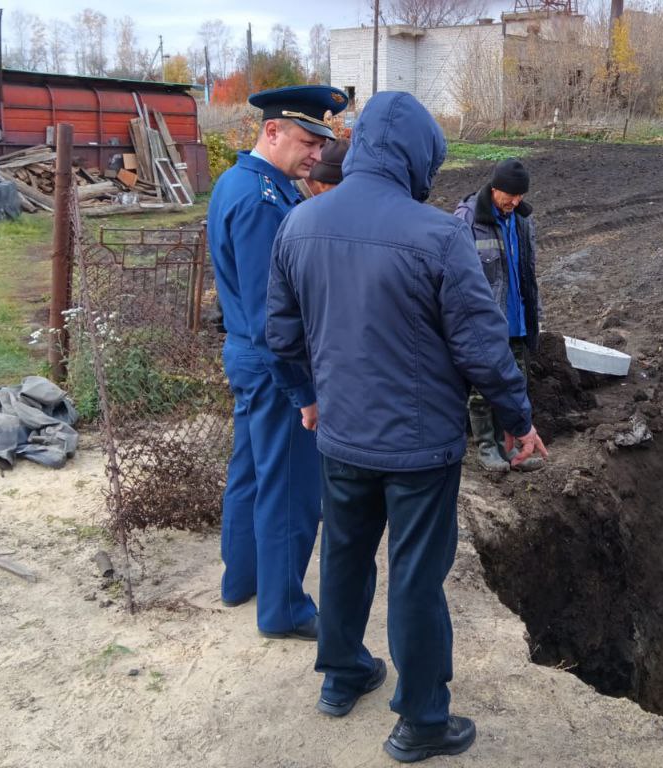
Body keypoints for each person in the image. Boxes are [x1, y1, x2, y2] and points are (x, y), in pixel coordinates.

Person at [266, 91, 549, 762]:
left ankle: (341, 676)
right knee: (416, 577)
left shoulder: (301, 223)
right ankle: (421, 721)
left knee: (342, 554)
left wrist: (306, 393)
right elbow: (483, 348)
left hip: (341, 435)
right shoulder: (440, 235)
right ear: (419, 157)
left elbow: (279, 333)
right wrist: (517, 421)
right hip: (420, 449)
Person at [206, 84, 348, 640]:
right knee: (290, 487)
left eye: (321, 142)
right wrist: (303, 391)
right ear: (272, 132)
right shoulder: (263, 201)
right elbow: (276, 314)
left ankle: (240, 580)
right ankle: (284, 608)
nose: (317, 153)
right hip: (273, 366)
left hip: (248, 357)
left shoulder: (241, 183)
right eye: (308, 139)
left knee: (250, 471)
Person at [454, 159, 545, 473]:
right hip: (485, 324)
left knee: (515, 383)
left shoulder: (522, 221)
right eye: (510, 195)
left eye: (521, 196)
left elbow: (527, 274)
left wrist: (536, 315)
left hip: (517, 319)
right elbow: (456, 278)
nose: (516, 201)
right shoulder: (467, 219)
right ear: (494, 189)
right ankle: (486, 448)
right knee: (483, 389)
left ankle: (509, 450)